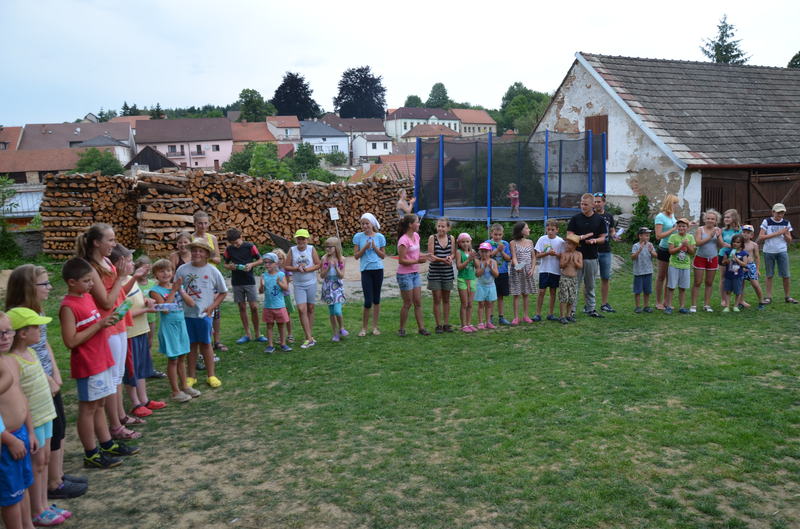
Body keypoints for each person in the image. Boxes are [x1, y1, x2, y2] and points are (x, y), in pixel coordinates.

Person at [4, 265, 87, 501]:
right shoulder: (16, 317)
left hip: (47, 378)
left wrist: (55, 372)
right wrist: (48, 377)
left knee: (58, 429)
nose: (49, 287)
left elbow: (45, 344)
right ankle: (52, 483)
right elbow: (20, 354)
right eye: (44, 284)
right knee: (49, 433)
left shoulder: (37, 311)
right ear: (28, 287)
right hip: (35, 383)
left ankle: (57, 476)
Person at [58, 257, 138, 470]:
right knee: (88, 408)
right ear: (72, 282)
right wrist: (100, 325)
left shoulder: (86, 297)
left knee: (100, 404)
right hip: (88, 364)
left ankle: (107, 443)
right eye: (87, 281)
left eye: (92, 280)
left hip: (102, 359)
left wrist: (108, 321)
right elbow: (70, 341)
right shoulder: (68, 306)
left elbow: (94, 324)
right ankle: (91, 453)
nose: (92, 284)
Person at [75, 223, 145, 441]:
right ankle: (115, 426)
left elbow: (117, 294)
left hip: (118, 321)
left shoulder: (105, 261)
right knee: (113, 379)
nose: (114, 245)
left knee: (118, 375)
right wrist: (120, 277)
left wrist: (127, 279)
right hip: (107, 326)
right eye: (110, 240)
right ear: (96, 242)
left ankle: (120, 417)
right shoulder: (92, 267)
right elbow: (105, 302)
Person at [4, 308, 62, 527]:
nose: (40, 330)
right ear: (23, 333)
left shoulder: (30, 353)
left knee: (43, 462)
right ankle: (37, 510)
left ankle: (44, 506)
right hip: (30, 422)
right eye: (36, 327)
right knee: (35, 466)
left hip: (43, 416)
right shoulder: (13, 360)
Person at [112, 246, 165, 421]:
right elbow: (122, 313)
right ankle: (135, 403)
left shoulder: (130, 279)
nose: (132, 264)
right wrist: (145, 311)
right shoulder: (117, 285)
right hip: (129, 333)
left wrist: (147, 301)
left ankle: (144, 400)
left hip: (141, 329)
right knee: (132, 370)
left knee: (141, 367)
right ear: (118, 264)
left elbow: (138, 299)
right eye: (128, 261)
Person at [0, 310, 36, 529]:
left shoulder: (10, 361)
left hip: (21, 434)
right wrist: (9, 439)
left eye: (8, 331)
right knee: (11, 496)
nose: (5, 337)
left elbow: (22, 398)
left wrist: (30, 431)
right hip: (7, 441)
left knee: (23, 486)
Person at [175, 238, 227, 388]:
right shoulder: (182, 269)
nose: (197, 253)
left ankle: (211, 375)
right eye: (194, 250)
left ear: (207, 254)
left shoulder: (213, 271)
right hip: (186, 315)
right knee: (191, 345)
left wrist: (212, 307)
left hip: (204, 315)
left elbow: (223, 292)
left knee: (206, 344)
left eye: (200, 251)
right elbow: (176, 288)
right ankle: (191, 376)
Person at [148, 259, 200, 402]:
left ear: (173, 272)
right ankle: (175, 391)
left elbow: (191, 303)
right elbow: (165, 310)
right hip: (169, 327)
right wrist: (173, 291)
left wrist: (180, 290)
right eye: (161, 271)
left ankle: (185, 386)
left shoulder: (177, 286)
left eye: (168, 270)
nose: (165, 274)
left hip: (181, 324)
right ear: (155, 274)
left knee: (182, 357)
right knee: (173, 359)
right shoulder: (155, 291)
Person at [191, 211, 227, 354]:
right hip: (197, 275)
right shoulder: (191, 238)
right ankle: (201, 340)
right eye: (200, 223)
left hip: (211, 276)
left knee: (215, 309)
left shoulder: (212, 238)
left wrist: (207, 253)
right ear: (195, 223)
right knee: (198, 308)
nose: (203, 226)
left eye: (205, 223)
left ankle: (216, 341)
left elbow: (218, 259)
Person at [567, 193, 607, 318]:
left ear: (592, 205)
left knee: (590, 285)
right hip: (576, 256)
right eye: (581, 204)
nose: (583, 206)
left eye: (585, 204)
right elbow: (569, 236)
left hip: (591, 257)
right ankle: (571, 310)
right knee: (575, 285)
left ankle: (591, 309)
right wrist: (581, 237)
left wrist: (594, 240)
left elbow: (603, 238)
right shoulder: (575, 219)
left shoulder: (599, 220)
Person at [223, 228, 264, 345]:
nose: (235, 245)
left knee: (254, 307)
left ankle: (258, 333)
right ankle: (247, 334)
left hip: (249, 280)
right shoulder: (229, 249)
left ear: (241, 237)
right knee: (242, 307)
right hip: (236, 281)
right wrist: (230, 267)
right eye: (232, 243)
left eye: (236, 242)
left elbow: (260, 260)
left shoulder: (250, 246)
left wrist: (251, 264)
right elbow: (225, 264)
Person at [284, 229, 321, 349]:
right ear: (296, 239)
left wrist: (307, 269)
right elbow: (286, 266)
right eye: (299, 239)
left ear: (307, 240)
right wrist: (297, 268)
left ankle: (308, 336)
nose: (301, 241)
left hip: (311, 283)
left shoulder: (311, 249)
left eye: (303, 239)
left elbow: (318, 264)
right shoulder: (292, 250)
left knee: (310, 308)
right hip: (298, 284)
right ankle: (309, 338)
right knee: (301, 309)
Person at [353, 213, 387, 337]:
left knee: (376, 300)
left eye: (367, 223)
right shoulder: (358, 237)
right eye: (362, 224)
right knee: (368, 301)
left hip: (378, 270)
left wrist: (375, 248)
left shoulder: (380, 237)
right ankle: (364, 328)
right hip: (366, 270)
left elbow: (383, 256)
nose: (364, 226)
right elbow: (356, 256)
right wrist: (365, 248)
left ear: (372, 224)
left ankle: (375, 327)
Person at [396, 214, 430, 336]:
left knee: (418, 302)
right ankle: (401, 329)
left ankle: (421, 328)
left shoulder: (416, 236)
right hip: (404, 275)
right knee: (408, 303)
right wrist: (417, 261)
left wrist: (426, 256)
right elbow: (401, 260)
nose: (419, 224)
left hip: (415, 274)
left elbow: (416, 253)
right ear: (410, 225)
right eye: (417, 222)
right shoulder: (403, 240)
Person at [757, 203, 796, 304]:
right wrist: (778, 233)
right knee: (769, 275)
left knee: (786, 275)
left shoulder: (786, 223)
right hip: (768, 251)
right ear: (773, 212)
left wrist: (786, 235)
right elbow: (761, 237)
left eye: (782, 213)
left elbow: (789, 240)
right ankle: (768, 297)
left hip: (782, 251)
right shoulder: (766, 221)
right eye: (778, 213)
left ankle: (787, 297)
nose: (780, 215)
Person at [134, 256, 165, 380]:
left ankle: (149, 368)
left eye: (147, 270)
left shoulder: (153, 284)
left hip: (151, 318)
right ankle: (140, 368)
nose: (145, 272)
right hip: (138, 319)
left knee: (149, 343)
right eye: (142, 269)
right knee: (140, 345)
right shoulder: (133, 284)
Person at [259, 253, 292, 353]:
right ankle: (270, 345)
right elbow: (260, 291)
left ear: (276, 263)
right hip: (268, 306)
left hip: (279, 305)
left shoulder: (281, 275)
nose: (267, 265)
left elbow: (286, 288)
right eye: (265, 263)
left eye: (270, 262)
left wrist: (279, 283)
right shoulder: (264, 276)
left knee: (281, 325)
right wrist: (262, 285)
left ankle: (283, 344)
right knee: (269, 325)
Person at [690, 209, 722, 313]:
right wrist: (710, 236)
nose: (710, 220)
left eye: (712, 219)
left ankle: (707, 305)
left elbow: (721, 245)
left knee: (709, 282)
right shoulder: (700, 229)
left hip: (713, 258)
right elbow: (697, 243)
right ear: (704, 219)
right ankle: (693, 305)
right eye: (708, 218)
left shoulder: (718, 230)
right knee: (697, 282)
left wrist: (718, 236)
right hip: (700, 258)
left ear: (716, 220)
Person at [427, 218, 455, 334]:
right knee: (437, 299)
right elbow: (431, 256)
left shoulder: (451, 238)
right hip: (435, 273)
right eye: (439, 226)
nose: (440, 228)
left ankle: (446, 324)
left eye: (443, 226)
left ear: (448, 228)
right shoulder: (432, 238)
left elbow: (453, 253)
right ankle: (438, 325)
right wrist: (443, 260)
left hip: (447, 273)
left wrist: (450, 257)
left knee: (446, 299)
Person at [533, 219, 564, 322]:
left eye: (552, 229)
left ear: (557, 230)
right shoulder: (542, 239)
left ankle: (550, 314)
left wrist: (556, 254)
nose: (550, 231)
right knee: (541, 291)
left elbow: (563, 256)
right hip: (544, 270)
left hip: (555, 270)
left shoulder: (560, 241)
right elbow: (537, 255)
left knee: (553, 292)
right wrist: (547, 253)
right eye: (548, 229)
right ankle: (538, 314)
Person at [664, 218, 696, 314]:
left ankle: (682, 307)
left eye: (684, 226)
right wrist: (681, 246)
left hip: (685, 266)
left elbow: (692, 252)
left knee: (682, 288)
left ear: (687, 227)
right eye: (679, 226)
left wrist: (687, 245)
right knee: (671, 287)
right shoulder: (673, 237)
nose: (681, 228)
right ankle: (669, 306)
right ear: (677, 227)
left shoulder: (690, 237)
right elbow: (671, 251)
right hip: (674, 265)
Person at [654, 194, 680, 310]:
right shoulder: (660, 217)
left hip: (673, 249)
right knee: (661, 276)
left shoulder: (672, 215)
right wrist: (673, 229)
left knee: (670, 276)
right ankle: (658, 302)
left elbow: (675, 230)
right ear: (670, 203)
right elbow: (658, 236)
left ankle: (666, 301)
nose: (677, 205)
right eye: (675, 203)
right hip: (664, 249)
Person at [320, 237, 348, 342]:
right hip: (328, 287)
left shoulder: (342, 259)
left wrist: (336, 267)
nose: (327, 249)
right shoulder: (324, 259)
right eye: (326, 247)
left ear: (336, 247)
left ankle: (341, 328)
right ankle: (335, 333)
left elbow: (341, 276)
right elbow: (322, 275)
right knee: (332, 312)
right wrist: (327, 268)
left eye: (330, 247)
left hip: (337, 286)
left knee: (337, 310)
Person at [593, 192, 617, 312]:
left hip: (605, 251)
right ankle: (589, 305)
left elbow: (612, 230)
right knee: (589, 279)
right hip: (592, 251)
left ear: (604, 202)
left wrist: (615, 235)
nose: (597, 204)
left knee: (605, 278)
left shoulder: (609, 216)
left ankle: (604, 304)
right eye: (595, 202)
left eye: (599, 201)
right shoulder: (590, 215)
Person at [509, 221, 536, 324]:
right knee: (516, 294)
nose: (529, 230)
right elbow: (514, 257)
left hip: (528, 271)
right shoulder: (513, 243)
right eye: (527, 228)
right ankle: (516, 317)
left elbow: (533, 257)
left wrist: (532, 269)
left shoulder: (530, 242)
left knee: (526, 293)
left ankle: (526, 316)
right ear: (521, 230)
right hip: (517, 271)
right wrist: (517, 266)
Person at [485, 223, 512, 325]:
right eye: (495, 234)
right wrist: (497, 250)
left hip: (503, 272)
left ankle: (501, 317)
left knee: (500, 296)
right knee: (491, 296)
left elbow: (508, 258)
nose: (497, 237)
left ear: (502, 234)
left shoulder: (505, 243)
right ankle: (490, 317)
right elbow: (487, 256)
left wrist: (502, 251)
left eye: (500, 235)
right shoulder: (487, 243)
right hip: (491, 273)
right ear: (491, 234)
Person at [717, 209, 742, 309]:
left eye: (728, 217)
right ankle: (723, 299)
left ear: (734, 218)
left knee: (737, 278)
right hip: (723, 255)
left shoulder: (739, 230)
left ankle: (739, 300)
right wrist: (719, 236)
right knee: (723, 278)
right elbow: (722, 244)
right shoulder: (722, 230)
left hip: (736, 257)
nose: (726, 219)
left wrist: (731, 246)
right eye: (725, 217)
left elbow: (741, 244)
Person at [631, 227, 657, 313]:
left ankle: (646, 306)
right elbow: (633, 257)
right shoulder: (635, 246)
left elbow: (655, 255)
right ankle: (638, 306)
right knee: (638, 290)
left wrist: (651, 251)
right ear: (640, 236)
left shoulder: (650, 245)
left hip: (648, 271)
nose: (648, 237)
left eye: (648, 235)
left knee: (647, 290)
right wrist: (639, 250)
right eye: (646, 235)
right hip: (638, 272)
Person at [558, 234, 583, 324]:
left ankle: (568, 315)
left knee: (572, 297)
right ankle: (562, 316)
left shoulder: (579, 254)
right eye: (566, 243)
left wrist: (575, 262)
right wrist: (567, 261)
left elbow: (580, 266)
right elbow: (561, 265)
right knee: (564, 297)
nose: (566, 245)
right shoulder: (564, 254)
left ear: (575, 245)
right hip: (564, 278)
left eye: (569, 244)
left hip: (574, 279)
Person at [456, 233, 477, 332]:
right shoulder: (459, 252)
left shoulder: (473, 251)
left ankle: (469, 323)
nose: (465, 244)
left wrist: (474, 258)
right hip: (462, 279)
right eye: (463, 242)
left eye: (467, 241)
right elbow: (459, 267)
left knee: (470, 304)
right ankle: (463, 325)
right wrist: (468, 260)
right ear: (459, 243)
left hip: (472, 279)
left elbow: (477, 266)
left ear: (470, 242)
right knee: (464, 303)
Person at [474, 242, 499, 329]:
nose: (484, 253)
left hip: (491, 286)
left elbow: (496, 275)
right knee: (481, 304)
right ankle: (480, 322)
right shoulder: (478, 262)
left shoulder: (493, 262)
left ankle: (488, 322)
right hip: (481, 286)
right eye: (482, 251)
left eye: (486, 251)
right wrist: (484, 267)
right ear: (479, 252)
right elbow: (477, 274)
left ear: (490, 252)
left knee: (489, 304)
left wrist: (491, 268)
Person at [741, 225, 766, 309]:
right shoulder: (739, 244)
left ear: (751, 235)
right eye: (744, 232)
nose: (745, 234)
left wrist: (757, 269)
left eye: (748, 233)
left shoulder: (754, 245)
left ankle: (761, 301)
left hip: (751, 266)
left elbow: (757, 257)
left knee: (755, 284)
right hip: (741, 266)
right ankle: (741, 301)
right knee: (741, 285)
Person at [721, 234, 748, 313]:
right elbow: (723, 262)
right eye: (734, 242)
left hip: (738, 275)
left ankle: (735, 306)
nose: (735, 244)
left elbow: (744, 264)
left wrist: (736, 259)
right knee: (727, 291)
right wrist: (727, 261)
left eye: (738, 242)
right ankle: (727, 306)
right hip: (728, 275)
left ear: (742, 244)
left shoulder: (743, 253)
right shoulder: (727, 252)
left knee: (738, 291)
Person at [272, 249, 295, 343]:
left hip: (285, 295)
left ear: (284, 259)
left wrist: (282, 285)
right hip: (276, 296)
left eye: (280, 259)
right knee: (278, 316)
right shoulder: (271, 270)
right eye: (276, 259)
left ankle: (290, 334)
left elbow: (288, 280)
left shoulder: (285, 269)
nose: (278, 261)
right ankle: (281, 335)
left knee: (287, 315)